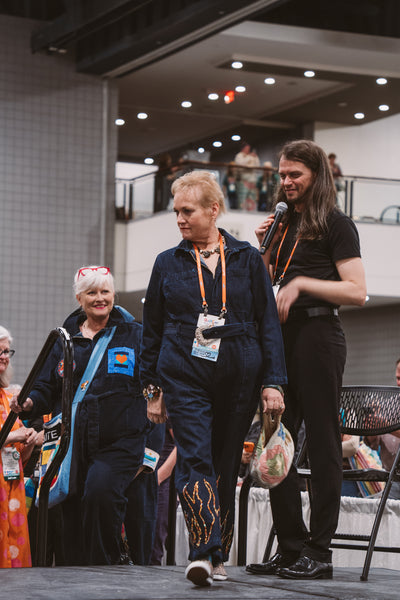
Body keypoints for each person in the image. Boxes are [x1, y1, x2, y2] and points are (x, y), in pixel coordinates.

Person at [139, 170, 287, 586]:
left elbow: (268, 323)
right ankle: (203, 552)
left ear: (213, 210)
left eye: (188, 211)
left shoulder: (246, 258)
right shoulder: (166, 262)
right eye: (176, 212)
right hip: (183, 373)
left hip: (239, 373)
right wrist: (153, 389)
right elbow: (151, 330)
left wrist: (273, 381)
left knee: (223, 461)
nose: (180, 219)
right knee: (194, 457)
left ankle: (218, 552)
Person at [246, 139, 366, 580]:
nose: (286, 182)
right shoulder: (283, 224)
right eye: (282, 175)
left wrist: (301, 285)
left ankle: (320, 551)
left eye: (294, 174)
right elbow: (265, 287)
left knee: (321, 441)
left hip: (318, 336)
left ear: (316, 175)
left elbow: (357, 290)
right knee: (275, 442)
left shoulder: (336, 222)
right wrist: (263, 249)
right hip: (281, 339)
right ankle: (291, 547)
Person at [11, 266, 149, 566]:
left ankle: (103, 570)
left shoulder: (134, 335)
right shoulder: (63, 339)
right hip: (70, 443)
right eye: (92, 293)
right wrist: (29, 402)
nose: (100, 298)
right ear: (79, 298)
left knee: (101, 494)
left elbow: (154, 379)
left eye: (105, 291)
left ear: (113, 295)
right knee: (69, 508)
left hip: (119, 442)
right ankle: (73, 578)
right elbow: (44, 386)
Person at [0, 325, 36, 568]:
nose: (4, 356)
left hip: (12, 488)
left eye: (6, 351)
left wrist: (29, 441)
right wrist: (14, 436)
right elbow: (10, 438)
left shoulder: (7, 396)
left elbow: (20, 456)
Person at [364, 357, 400, 499]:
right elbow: (373, 444)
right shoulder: (390, 404)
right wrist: (371, 429)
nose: (399, 383)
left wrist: (387, 427)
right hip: (391, 478)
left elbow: (387, 429)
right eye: (398, 378)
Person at [234, 142, 260, 210]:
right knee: (242, 199)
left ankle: (251, 213)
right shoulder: (239, 156)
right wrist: (248, 158)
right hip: (243, 180)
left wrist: (255, 157)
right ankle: (241, 213)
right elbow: (241, 165)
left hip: (252, 181)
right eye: (246, 148)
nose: (248, 150)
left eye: (249, 149)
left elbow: (257, 166)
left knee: (252, 199)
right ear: (243, 149)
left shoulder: (251, 156)